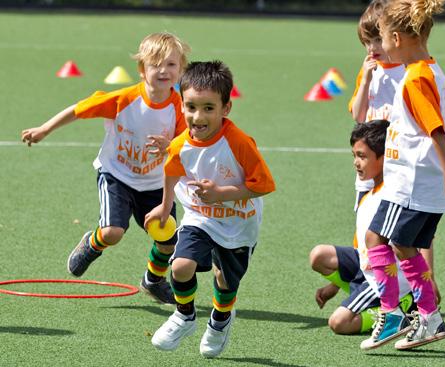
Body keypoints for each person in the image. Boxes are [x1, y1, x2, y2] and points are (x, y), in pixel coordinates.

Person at [20, 32, 191, 304]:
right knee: (113, 233)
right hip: (117, 175)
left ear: (181, 70)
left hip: (156, 183)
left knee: (168, 240)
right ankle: (92, 244)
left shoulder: (182, 108)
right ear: (141, 69)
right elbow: (79, 109)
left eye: (171, 65)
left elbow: (188, 145)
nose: (163, 70)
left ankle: (153, 280)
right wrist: (44, 129)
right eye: (155, 64)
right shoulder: (124, 99)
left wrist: (170, 145)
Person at [144, 60, 275, 358]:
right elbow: (172, 169)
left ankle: (220, 320)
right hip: (200, 217)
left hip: (239, 223)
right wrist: (165, 207)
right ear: (181, 106)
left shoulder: (239, 143)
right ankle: (184, 315)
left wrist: (222, 194)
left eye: (208, 108)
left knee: (224, 280)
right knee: (180, 266)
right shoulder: (180, 144)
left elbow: (264, 184)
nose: (197, 116)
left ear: (225, 108)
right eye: (190, 107)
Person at [360, 0, 445, 351]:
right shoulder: (430, 70)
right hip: (420, 184)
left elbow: (435, 129)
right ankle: (421, 316)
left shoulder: (416, 77)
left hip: (412, 184)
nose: (382, 46)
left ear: (395, 37)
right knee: (395, 243)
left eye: (382, 39)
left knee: (384, 241)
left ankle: (398, 314)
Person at [310, 120, 417, 336]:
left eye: (362, 156)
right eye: (354, 156)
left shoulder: (393, 197)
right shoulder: (370, 194)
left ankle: (400, 307)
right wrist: (335, 286)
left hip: (385, 277)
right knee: (318, 255)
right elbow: (362, 246)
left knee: (338, 323)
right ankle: (372, 298)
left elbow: (413, 241)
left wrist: (425, 279)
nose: (356, 163)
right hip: (367, 268)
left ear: (384, 157)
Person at [349, 0, 405, 206]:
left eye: (377, 39)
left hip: (397, 160)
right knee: (365, 221)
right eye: (366, 41)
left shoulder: (408, 71)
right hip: (370, 158)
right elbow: (358, 116)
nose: (371, 47)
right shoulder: (369, 71)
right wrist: (365, 80)